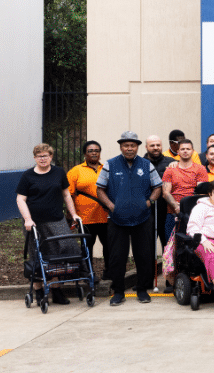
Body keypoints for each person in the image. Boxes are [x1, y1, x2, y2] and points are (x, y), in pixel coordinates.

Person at [95, 131, 163, 306]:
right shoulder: (110, 164)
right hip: (117, 219)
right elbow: (100, 189)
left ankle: (142, 289)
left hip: (143, 218)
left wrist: (149, 202)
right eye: (126, 145)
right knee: (117, 257)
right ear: (121, 147)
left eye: (132, 145)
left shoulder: (146, 164)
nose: (129, 148)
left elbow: (158, 187)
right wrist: (111, 206)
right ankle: (118, 292)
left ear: (137, 147)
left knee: (144, 256)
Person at [16, 143, 82, 305]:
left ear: (51, 157)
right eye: (39, 156)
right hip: (34, 223)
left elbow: (66, 195)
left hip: (56, 220)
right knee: (38, 255)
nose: (42, 159)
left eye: (45, 156)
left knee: (62, 252)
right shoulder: (28, 176)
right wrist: (27, 219)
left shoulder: (59, 172)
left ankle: (56, 290)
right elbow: (20, 199)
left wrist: (73, 214)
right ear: (34, 158)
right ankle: (39, 291)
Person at [67, 141, 110, 279]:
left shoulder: (107, 168)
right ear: (85, 154)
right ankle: (88, 273)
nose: (94, 153)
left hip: (106, 216)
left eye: (96, 150)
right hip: (85, 218)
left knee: (109, 246)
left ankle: (109, 272)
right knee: (87, 247)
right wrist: (71, 215)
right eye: (90, 151)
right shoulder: (75, 171)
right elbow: (68, 195)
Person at [161, 139, 209, 242]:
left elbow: (201, 193)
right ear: (178, 151)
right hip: (173, 212)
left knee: (194, 244)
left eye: (188, 149)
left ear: (193, 151)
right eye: (182, 149)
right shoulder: (170, 170)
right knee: (171, 244)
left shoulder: (200, 169)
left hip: (194, 213)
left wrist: (186, 207)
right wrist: (176, 207)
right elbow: (165, 193)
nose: (185, 151)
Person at [144, 135, 175, 247]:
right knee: (148, 245)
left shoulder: (172, 162)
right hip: (147, 210)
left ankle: (166, 260)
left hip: (167, 209)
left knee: (168, 244)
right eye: (152, 145)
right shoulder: (140, 163)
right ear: (146, 147)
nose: (156, 148)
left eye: (158, 145)